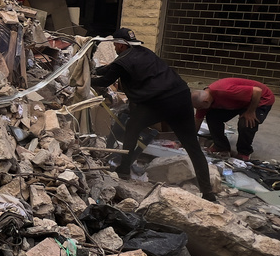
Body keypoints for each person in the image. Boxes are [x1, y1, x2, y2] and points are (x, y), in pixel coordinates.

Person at [91, 28, 217, 201]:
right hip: (181, 97)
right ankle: (208, 193)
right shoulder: (144, 52)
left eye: (115, 45)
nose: (114, 48)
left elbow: (106, 80)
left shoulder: (123, 60)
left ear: (121, 45)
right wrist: (96, 70)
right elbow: (110, 69)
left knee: (132, 127)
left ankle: (124, 169)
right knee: (192, 146)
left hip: (160, 101)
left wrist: (85, 80)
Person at [191, 78, 275, 161]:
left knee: (246, 122)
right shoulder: (203, 100)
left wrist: (250, 111)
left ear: (206, 102)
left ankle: (244, 152)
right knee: (212, 117)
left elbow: (257, 91)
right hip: (239, 101)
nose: (200, 109)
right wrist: (190, 140)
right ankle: (221, 146)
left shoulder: (224, 90)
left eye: (200, 108)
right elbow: (198, 120)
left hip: (260, 98)